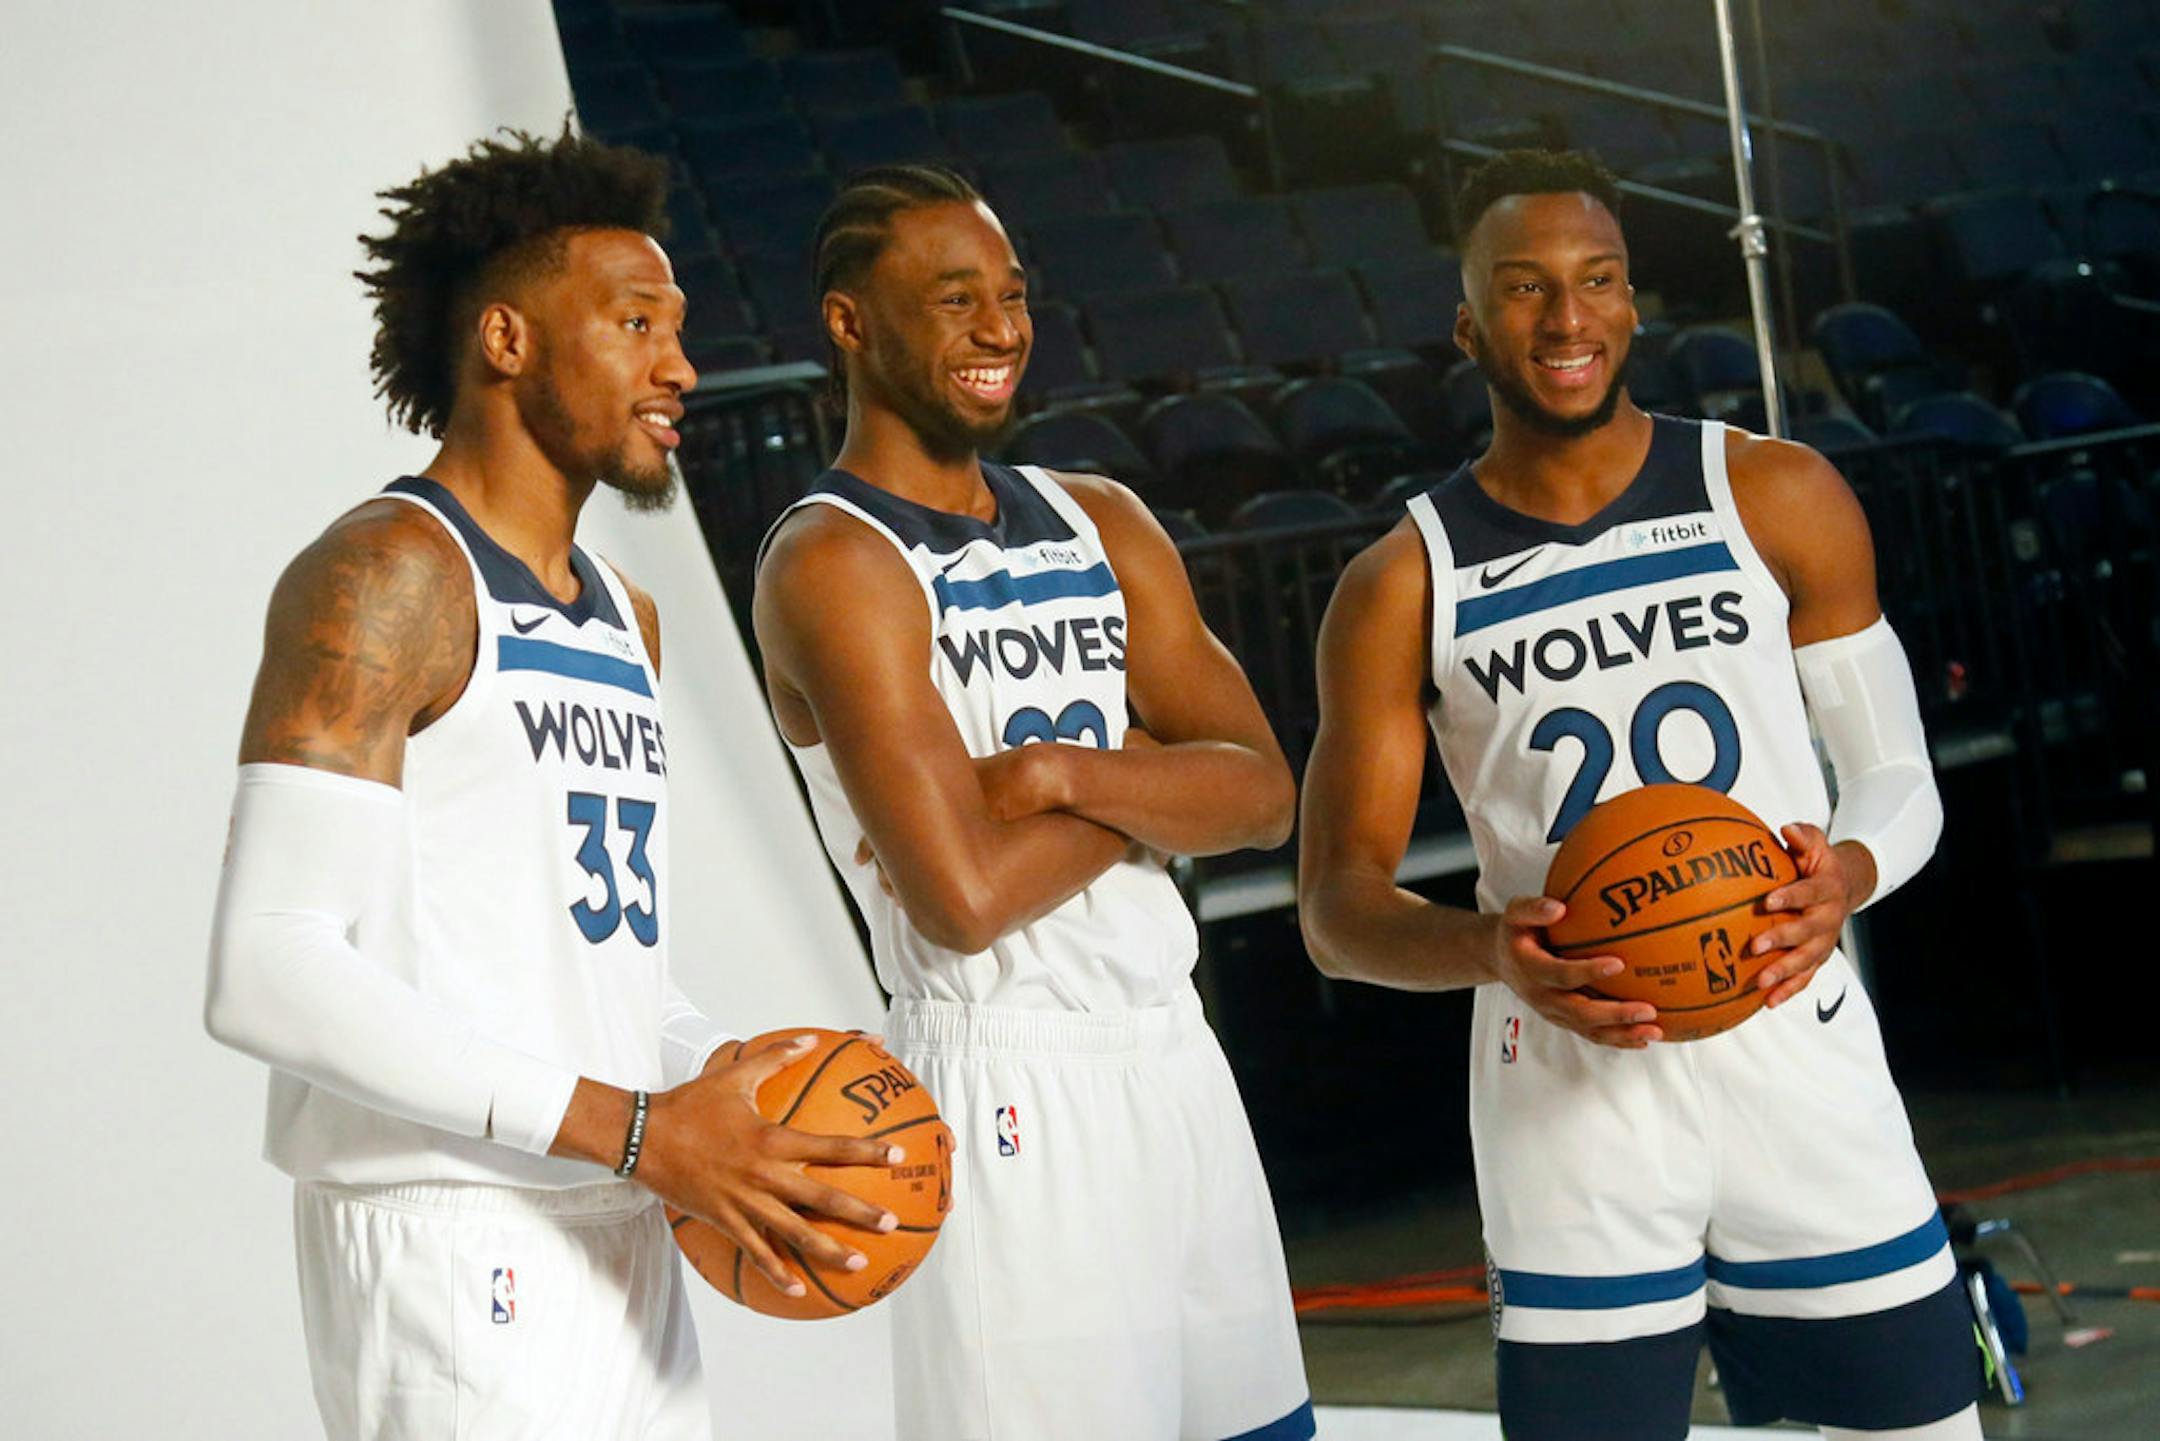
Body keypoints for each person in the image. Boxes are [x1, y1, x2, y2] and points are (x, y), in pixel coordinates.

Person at [204, 128, 901, 1441]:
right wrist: (641, 1130)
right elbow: (269, 963)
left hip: (614, 1216)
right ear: (508, 341)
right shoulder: (389, 576)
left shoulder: (621, 616)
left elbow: (602, 960)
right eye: (635, 323)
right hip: (454, 1233)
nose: (679, 365)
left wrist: (740, 1092)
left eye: (679, 326)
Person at [1296, 149, 1985, 1441]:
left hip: (1795, 1051)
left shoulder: (1773, 493)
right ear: (1468, 322)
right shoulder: (1402, 581)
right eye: (1525, 288)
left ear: (1631, 302)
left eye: (1596, 281)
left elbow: (1899, 777)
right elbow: (1334, 908)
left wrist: (1848, 869)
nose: (1567, 319)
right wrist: (1487, 948)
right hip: (1570, 1095)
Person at [752, 164, 1315, 1441]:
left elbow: (1267, 793)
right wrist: (1161, 792)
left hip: (1177, 1061)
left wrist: (1063, 774)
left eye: (1011, 296)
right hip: (1006, 1085)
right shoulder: (834, 560)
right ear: (850, 324)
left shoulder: (1099, 516)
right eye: (956, 300)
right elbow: (963, 898)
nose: (1002, 329)